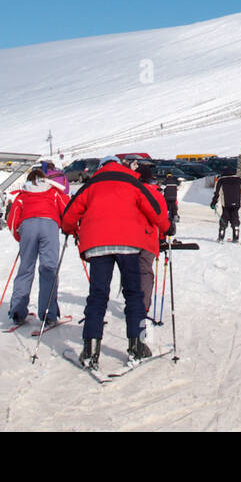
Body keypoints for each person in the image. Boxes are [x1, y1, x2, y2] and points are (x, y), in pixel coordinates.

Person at [62, 156, 170, 369]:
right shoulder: (132, 182)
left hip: (97, 245)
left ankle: (91, 350)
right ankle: (137, 345)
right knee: (133, 295)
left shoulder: (91, 184)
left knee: (98, 295)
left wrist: (69, 229)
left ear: (100, 168)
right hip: (128, 244)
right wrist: (165, 227)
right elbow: (153, 209)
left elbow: (69, 215)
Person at [6, 167, 69, 328]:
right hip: (49, 224)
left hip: (28, 226)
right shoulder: (53, 191)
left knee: (26, 268)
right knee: (49, 269)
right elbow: (67, 209)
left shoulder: (22, 194)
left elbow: (12, 219)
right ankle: (49, 314)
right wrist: (71, 228)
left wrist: (19, 238)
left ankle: (17, 312)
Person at [132, 160, 169, 321]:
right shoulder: (156, 193)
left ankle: (133, 304)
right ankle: (143, 307)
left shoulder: (130, 191)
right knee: (145, 272)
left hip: (129, 238)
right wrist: (162, 237)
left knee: (131, 273)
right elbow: (161, 218)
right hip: (149, 238)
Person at [211, 165, 241, 243]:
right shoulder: (239, 180)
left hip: (226, 203)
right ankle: (236, 235)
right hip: (236, 203)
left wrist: (213, 203)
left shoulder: (221, 180)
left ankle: (221, 236)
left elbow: (217, 193)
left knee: (224, 217)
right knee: (235, 217)